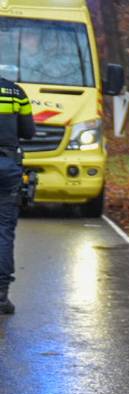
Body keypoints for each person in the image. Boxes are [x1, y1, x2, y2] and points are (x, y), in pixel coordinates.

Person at [0, 75, 34, 315]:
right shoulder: (15, 92)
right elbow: (28, 131)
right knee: (3, 229)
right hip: (7, 166)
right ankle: (1, 296)